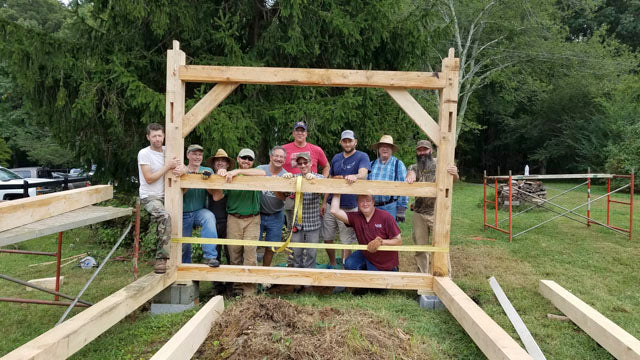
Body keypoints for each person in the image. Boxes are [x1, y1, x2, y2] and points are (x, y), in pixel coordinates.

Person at [213, 148, 266, 296]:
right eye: (244, 158)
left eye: (250, 159)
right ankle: (237, 287)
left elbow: (262, 173)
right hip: (234, 219)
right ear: (238, 159)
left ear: (253, 162)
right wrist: (219, 179)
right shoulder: (228, 176)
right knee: (234, 254)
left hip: (253, 219)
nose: (246, 161)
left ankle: (249, 289)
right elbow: (217, 197)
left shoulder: (255, 173)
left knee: (250, 254)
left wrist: (235, 172)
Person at [405, 140, 458, 276]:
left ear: (431, 150)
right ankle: (422, 277)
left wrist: (454, 173)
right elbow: (410, 175)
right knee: (420, 247)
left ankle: (445, 276)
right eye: (419, 150)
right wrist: (410, 177)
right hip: (419, 213)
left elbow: (454, 180)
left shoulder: (442, 165)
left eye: (425, 149)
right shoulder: (413, 167)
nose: (422, 152)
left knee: (441, 246)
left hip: (437, 212)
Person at [321, 130, 371, 268]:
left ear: (355, 142)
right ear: (341, 142)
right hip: (332, 204)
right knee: (327, 237)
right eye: (345, 141)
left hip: (349, 206)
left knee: (346, 240)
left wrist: (355, 176)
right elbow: (330, 180)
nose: (347, 143)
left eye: (350, 141)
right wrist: (324, 202)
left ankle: (345, 267)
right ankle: (332, 264)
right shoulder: (336, 158)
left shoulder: (362, 156)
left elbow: (363, 173)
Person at [137, 123, 181, 274]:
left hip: (167, 195)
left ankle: (179, 260)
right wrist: (167, 166)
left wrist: (182, 169)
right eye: (154, 136)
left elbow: (182, 166)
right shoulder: (144, 153)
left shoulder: (169, 151)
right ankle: (161, 259)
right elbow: (149, 178)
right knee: (164, 216)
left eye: (159, 135)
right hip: (149, 197)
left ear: (164, 136)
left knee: (180, 219)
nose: (157, 139)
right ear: (148, 137)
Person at [329, 193, 402, 271]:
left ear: (373, 202)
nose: (365, 204)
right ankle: (365, 268)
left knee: (373, 279)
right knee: (350, 264)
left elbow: (398, 241)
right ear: (357, 203)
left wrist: (381, 242)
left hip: (383, 261)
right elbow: (334, 211)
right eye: (361, 201)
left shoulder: (386, 217)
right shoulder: (356, 217)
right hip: (366, 253)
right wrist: (337, 192)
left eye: (368, 201)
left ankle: (390, 269)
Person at [176, 144, 219, 267]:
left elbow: (213, 193)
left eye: (200, 154)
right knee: (184, 245)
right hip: (183, 212)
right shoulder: (182, 170)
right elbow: (180, 193)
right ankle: (184, 268)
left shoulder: (208, 170)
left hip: (199, 211)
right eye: (194, 154)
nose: (197, 157)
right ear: (188, 155)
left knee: (209, 217)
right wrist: (189, 180)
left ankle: (210, 257)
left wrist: (207, 181)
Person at [282, 121, 330, 230]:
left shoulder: (316, 149)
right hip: (291, 195)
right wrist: (284, 176)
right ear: (293, 133)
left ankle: (310, 244)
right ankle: (293, 244)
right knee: (292, 226)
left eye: (302, 131)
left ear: (306, 133)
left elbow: (327, 166)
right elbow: (277, 165)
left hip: (311, 195)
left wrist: (321, 181)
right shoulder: (284, 149)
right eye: (297, 131)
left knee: (312, 226)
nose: (300, 133)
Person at [282, 152, 324, 269]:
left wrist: (314, 181)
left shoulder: (320, 177)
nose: (303, 165)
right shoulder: (294, 178)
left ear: (310, 163)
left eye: (305, 162)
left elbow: (322, 191)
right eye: (300, 163)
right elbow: (285, 193)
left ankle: (308, 281)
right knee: (296, 253)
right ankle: (297, 279)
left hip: (313, 223)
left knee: (311, 253)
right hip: (297, 224)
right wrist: (286, 180)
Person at [257, 146, 290, 267]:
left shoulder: (286, 175)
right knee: (252, 245)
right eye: (276, 156)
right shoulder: (260, 169)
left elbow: (283, 197)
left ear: (285, 160)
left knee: (271, 247)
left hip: (276, 215)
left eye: (281, 157)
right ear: (271, 157)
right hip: (258, 214)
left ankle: (265, 272)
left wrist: (275, 185)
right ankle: (251, 273)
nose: (278, 159)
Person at [367, 135, 409, 222]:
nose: (384, 148)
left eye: (388, 146)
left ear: (392, 149)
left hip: (390, 207)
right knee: (373, 233)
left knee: (390, 235)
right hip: (373, 207)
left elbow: (404, 187)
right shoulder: (371, 164)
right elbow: (366, 186)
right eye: (382, 146)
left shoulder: (398, 164)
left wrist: (401, 209)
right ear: (378, 148)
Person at [206, 149, 235, 265]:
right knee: (215, 252)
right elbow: (215, 196)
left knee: (231, 252)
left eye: (223, 161)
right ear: (213, 164)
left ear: (228, 164)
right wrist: (216, 178)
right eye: (217, 161)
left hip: (230, 219)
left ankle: (230, 282)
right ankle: (216, 283)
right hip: (213, 219)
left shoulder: (233, 178)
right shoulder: (208, 177)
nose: (220, 163)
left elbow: (221, 195)